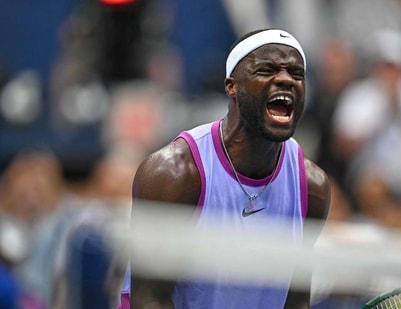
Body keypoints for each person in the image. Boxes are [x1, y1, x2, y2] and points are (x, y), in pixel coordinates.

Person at [121, 28, 331, 309]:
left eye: (296, 73)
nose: (285, 79)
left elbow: (295, 301)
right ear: (232, 86)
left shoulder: (312, 187)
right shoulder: (173, 174)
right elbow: (149, 299)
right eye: (266, 70)